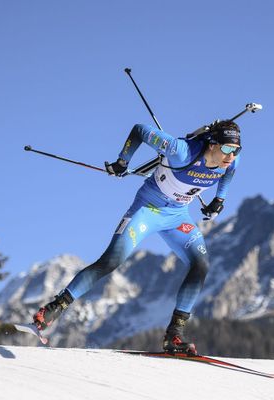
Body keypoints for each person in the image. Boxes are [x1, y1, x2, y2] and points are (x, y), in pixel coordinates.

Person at [32, 120, 242, 355]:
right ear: (211, 145)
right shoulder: (181, 151)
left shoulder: (229, 161)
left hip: (178, 217)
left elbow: (229, 173)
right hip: (148, 209)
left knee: (200, 265)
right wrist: (123, 161)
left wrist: (219, 200)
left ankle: (174, 335)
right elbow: (140, 130)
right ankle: (54, 308)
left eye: (236, 150)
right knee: (111, 260)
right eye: (226, 149)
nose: (231, 156)